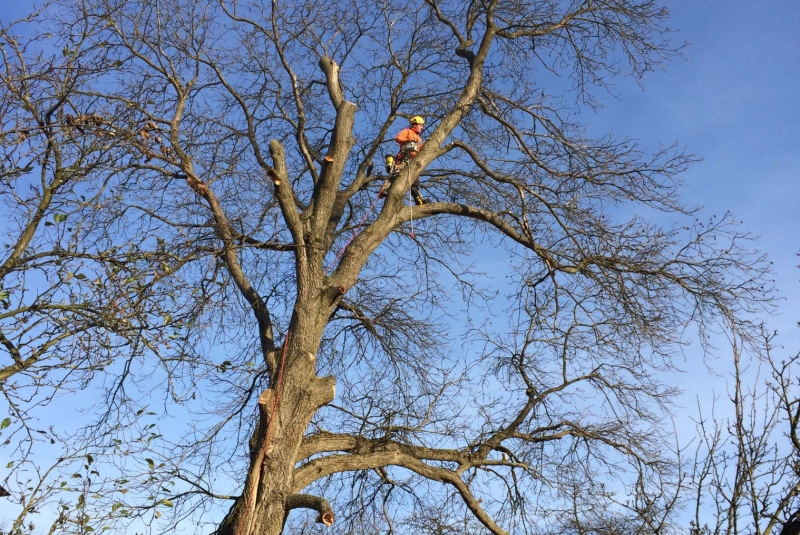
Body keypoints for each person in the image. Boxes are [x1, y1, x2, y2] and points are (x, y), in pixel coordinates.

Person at [381, 116, 426, 205]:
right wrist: (407, 141)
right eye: (420, 125)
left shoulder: (419, 139)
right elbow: (398, 138)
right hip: (404, 158)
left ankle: (418, 199)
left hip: (413, 161)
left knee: (414, 180)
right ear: (414, 125)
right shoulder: (407, 131)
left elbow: (421, 150)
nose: (422, 127)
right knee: (395, 174)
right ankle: (384, 190)